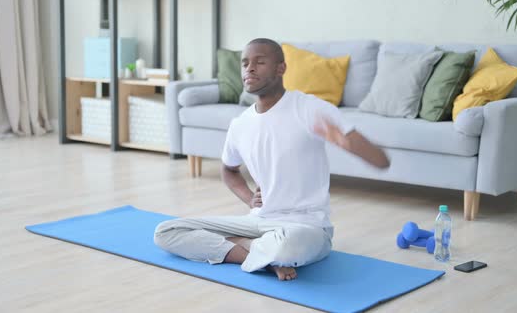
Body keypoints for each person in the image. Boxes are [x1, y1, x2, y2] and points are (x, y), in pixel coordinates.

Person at [154, 38, 390, 281]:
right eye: (245, 63)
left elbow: (381, 160)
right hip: (258, 222)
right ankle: (258, 256)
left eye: (260, 62)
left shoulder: (309, 108)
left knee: (287, 247)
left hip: (306, 227)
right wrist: (249, 199)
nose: (250, 68)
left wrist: (345, 141)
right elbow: (229, 170)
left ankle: (257, 250)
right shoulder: (241, 124)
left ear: (281, 68)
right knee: (167, 231)